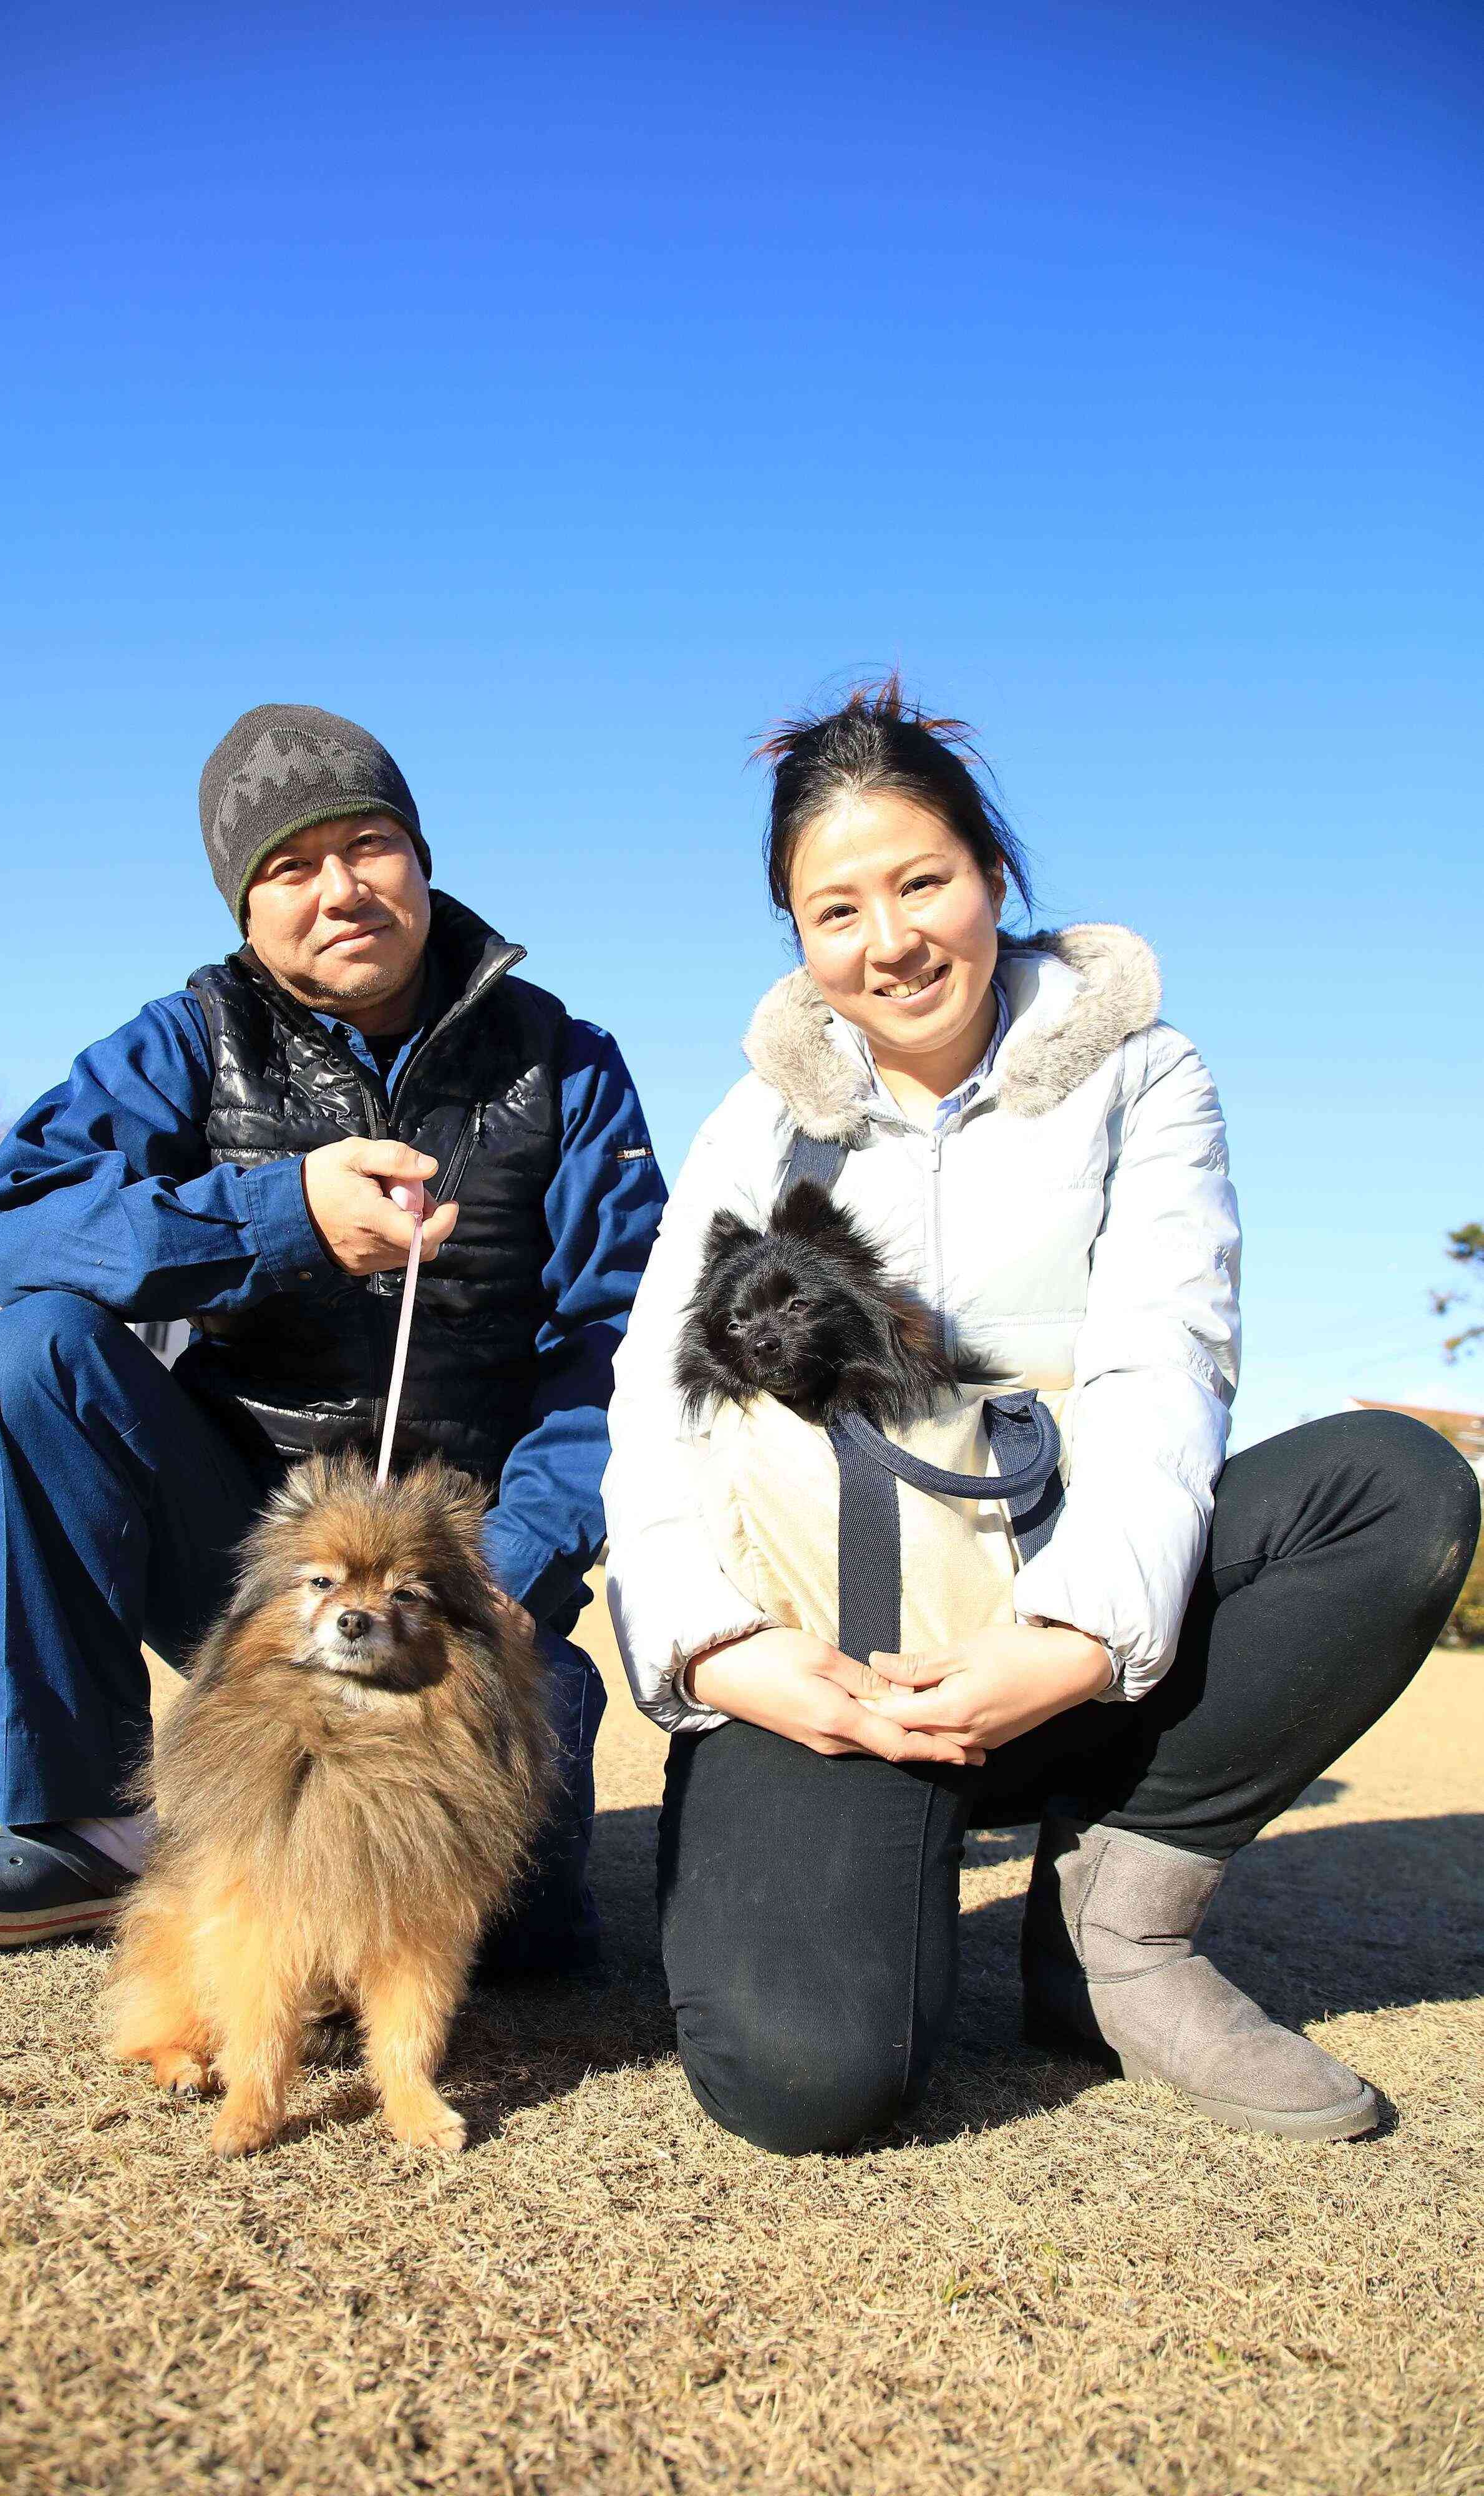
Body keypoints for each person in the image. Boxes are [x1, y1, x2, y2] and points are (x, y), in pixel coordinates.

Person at [603, 680, 1480, 2154]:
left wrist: (1070, 1636)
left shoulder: (1142, 1071)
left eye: (920, 882)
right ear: (798, 938)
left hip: (1069, 1643)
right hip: (831, 1664)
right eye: (834, 910)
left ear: (991, 877)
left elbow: (1165, 1360)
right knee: (811, 2077)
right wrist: (723, 1648)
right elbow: (652, 1403)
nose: (887, 941)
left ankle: (1113, 1931)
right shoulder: (752, 1127)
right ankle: (872, 1860)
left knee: (1393, 1486)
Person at [0, 703, 666, 1972]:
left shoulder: (565, 1062)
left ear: (421, 858)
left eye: (369, 844)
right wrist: (283, 1210)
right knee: (31, 1356)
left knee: (511, 1946)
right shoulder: (187, 1039)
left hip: (465, 1586)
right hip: (245, 1547)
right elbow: (20, 1217)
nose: (340, 888)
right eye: (290, 867)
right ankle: (84, 1821)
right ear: (244, 909)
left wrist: (514, 1562)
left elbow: (622, 1336)